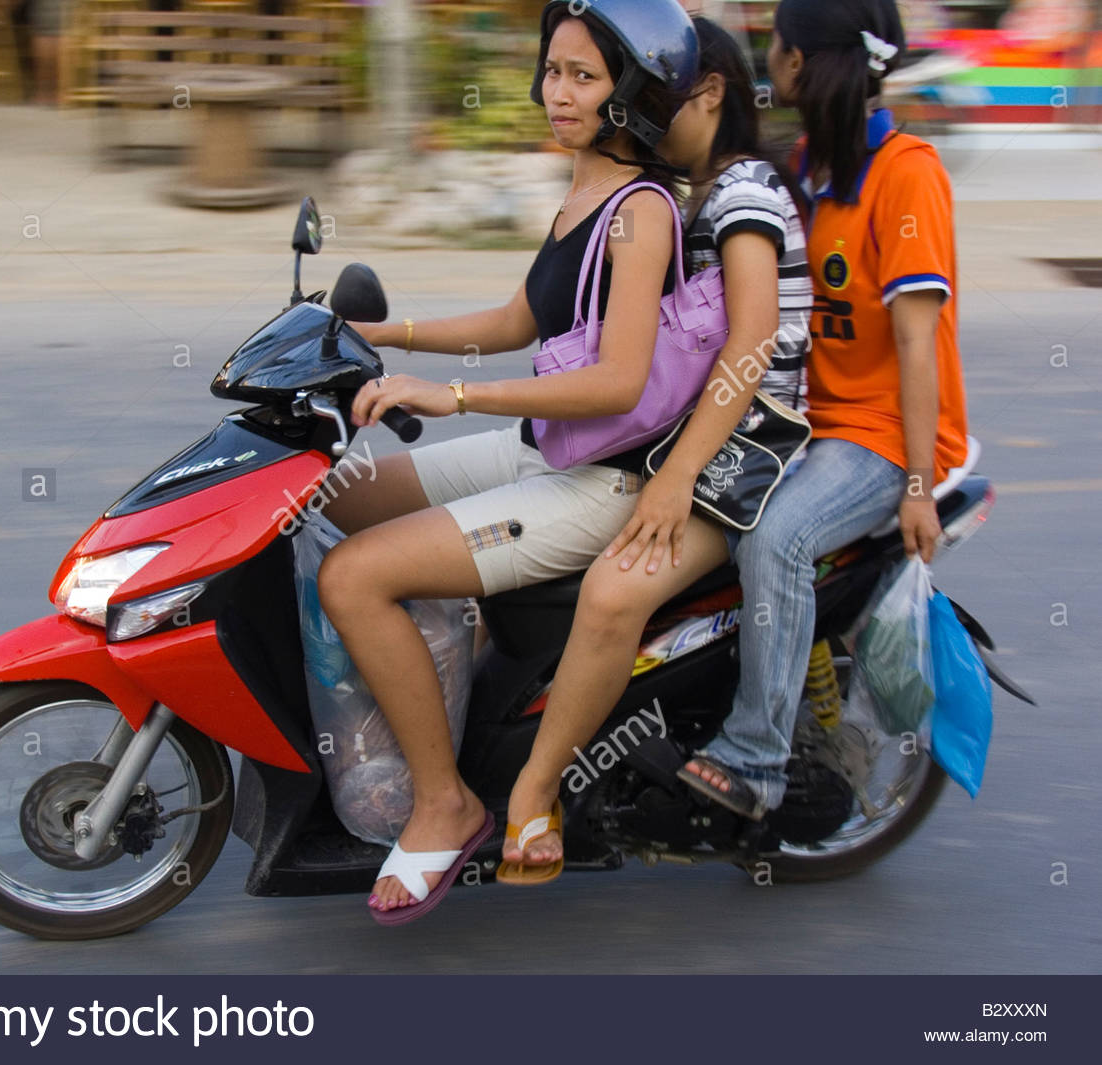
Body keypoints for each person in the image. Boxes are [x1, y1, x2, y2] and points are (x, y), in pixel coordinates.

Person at [316, 0, 698, 922]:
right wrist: (376, 334)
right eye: (552, 71)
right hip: (541, 447)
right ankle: (443, 690)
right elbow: (519, 322)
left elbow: (616, 381)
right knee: (339, 497)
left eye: (583, 77)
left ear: (632, 94)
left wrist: (444, 396)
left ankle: (446, 801)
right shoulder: (581, 190)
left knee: (354, 577)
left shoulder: (640, 212)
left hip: (599, 482)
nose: (555, 93)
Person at [497, 15, 814, 878]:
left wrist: (676, 478)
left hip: (750, 442)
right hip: (689, 430)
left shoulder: (743, 190)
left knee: (610, 593)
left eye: (656, 89)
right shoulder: (684, 193)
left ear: (705, 94)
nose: (637, 107)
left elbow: (749, 346)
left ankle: (535, 788)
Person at [676, 0, 970, 820]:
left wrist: (916, 483)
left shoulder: (907, 171)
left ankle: (757, 758)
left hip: (879, 437)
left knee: (778, 536)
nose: (769, 59)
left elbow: (917, 344)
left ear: (803, 63)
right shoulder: (806, 167)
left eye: (776, 45)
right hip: (804, 421)